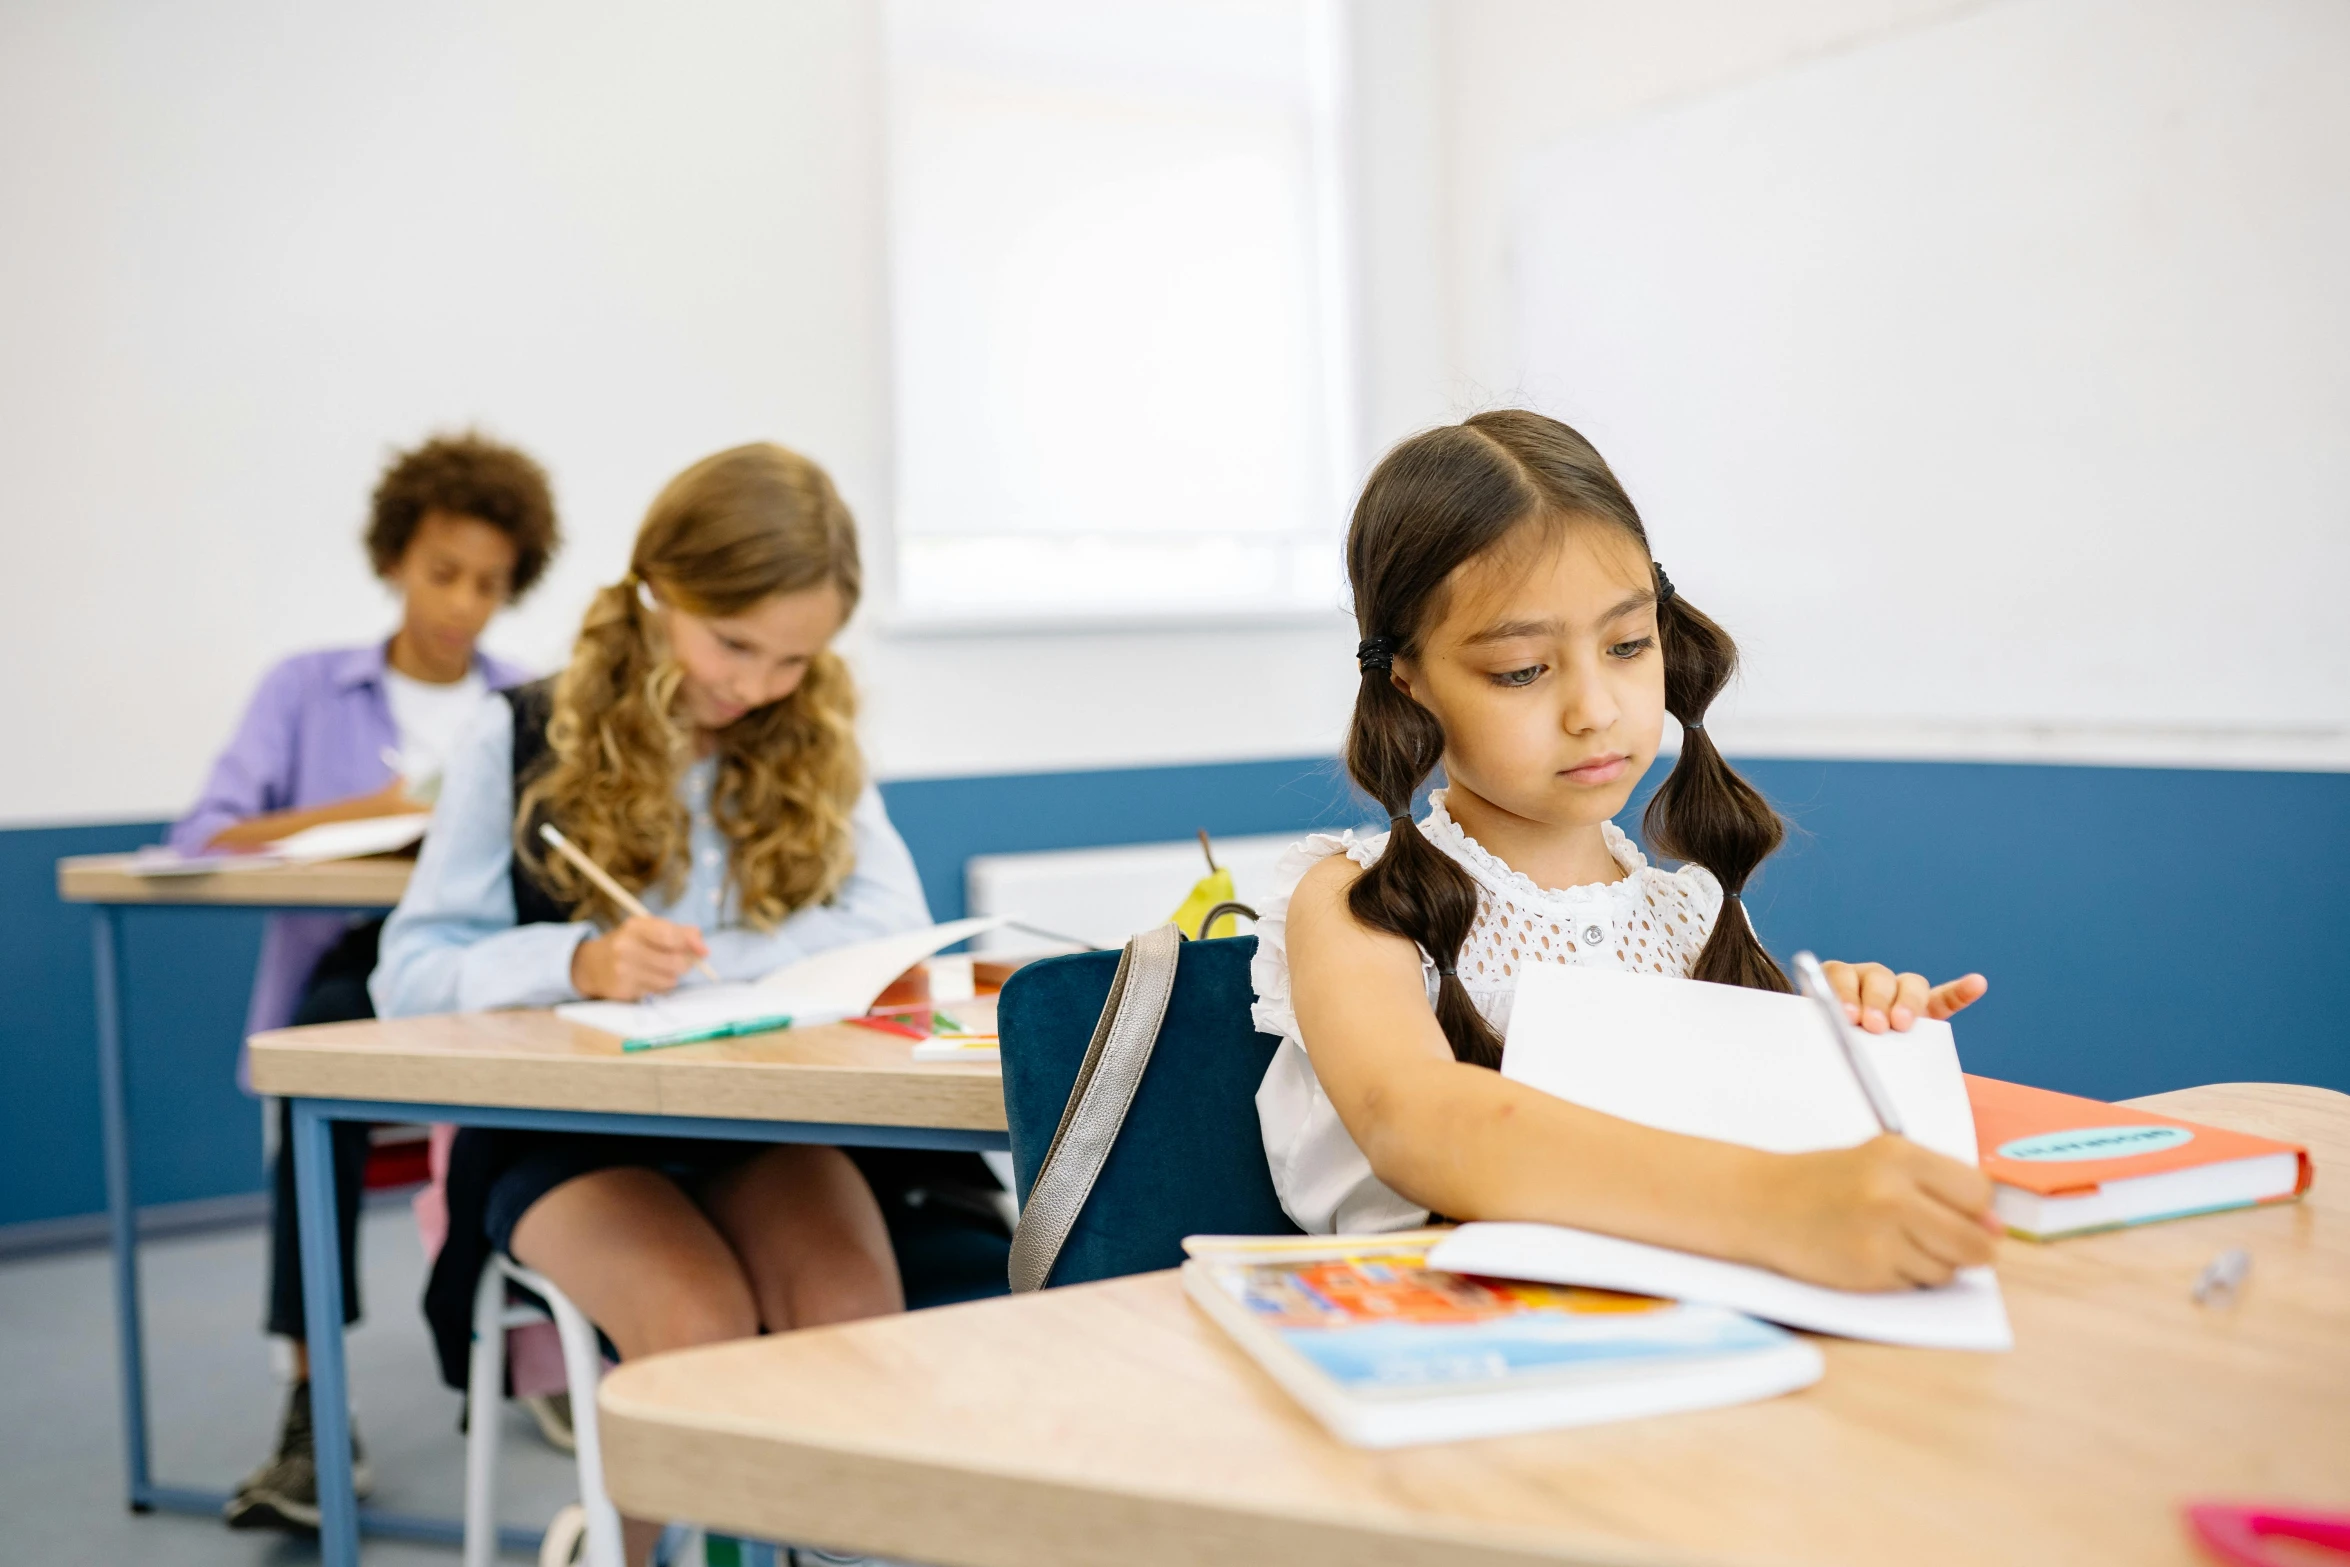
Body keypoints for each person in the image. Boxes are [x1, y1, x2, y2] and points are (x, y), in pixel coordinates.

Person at [1255, 410, 2000, 1291]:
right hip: (1448, 1349)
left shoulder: (1686, 915)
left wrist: (1840, 1031)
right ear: (1408, 683)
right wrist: (1778, 1202)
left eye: (1627, 645)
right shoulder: (1358, 903)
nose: (1595, 708)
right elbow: (1419, 1122)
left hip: (1683, 1322)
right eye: (1523, 670)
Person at [372, 442, 930, 1567]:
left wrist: (723, 952)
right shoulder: (521, 731)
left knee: (853, 1314)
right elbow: (411, 969)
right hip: (571, 1130)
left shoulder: (807, 725)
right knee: (697, 1325)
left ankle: (787, 1543)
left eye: (792, 657)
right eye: (733, 643)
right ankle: (620, 1549)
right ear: (655, 588)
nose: (755, 685)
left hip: (759, 1116)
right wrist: (576, 963)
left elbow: (893, 922)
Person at [170, 432, 560, 1531]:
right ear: (394, 558)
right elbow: (201, 836)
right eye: (444, 572)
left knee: (570, 1081)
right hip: (357, 961)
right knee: (316, 1083)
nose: (464, 603)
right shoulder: (304, 690)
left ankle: (543, 1355)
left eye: (490, 582)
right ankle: (311, 1407)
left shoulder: (532, 697)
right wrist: (360, 815)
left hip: (498, 968)